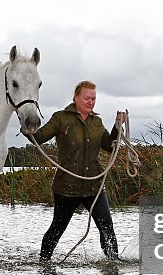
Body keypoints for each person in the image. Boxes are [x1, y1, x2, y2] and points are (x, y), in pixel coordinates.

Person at [28, 80, 126, 261]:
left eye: (93, 99)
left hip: (94, 186)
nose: (91, 102)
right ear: (76, 98)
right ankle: (44, 264)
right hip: (67, 186)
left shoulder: (97, 121)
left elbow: (109, 145)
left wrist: (117, 126)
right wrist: (28, 127)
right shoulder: (61, 118)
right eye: (87, 98)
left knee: (107, 226)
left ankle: (113, 264)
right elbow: (39, 137)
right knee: (57, 228)